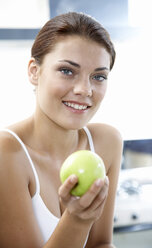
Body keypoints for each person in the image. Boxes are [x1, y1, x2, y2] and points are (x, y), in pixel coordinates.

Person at [0, 12, 123, 248]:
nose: (84, 90)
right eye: (67, 71)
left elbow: (100, 244)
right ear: (34, 72)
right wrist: (76, 220)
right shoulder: (7, 153)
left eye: (98, 76)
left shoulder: (108, 142)